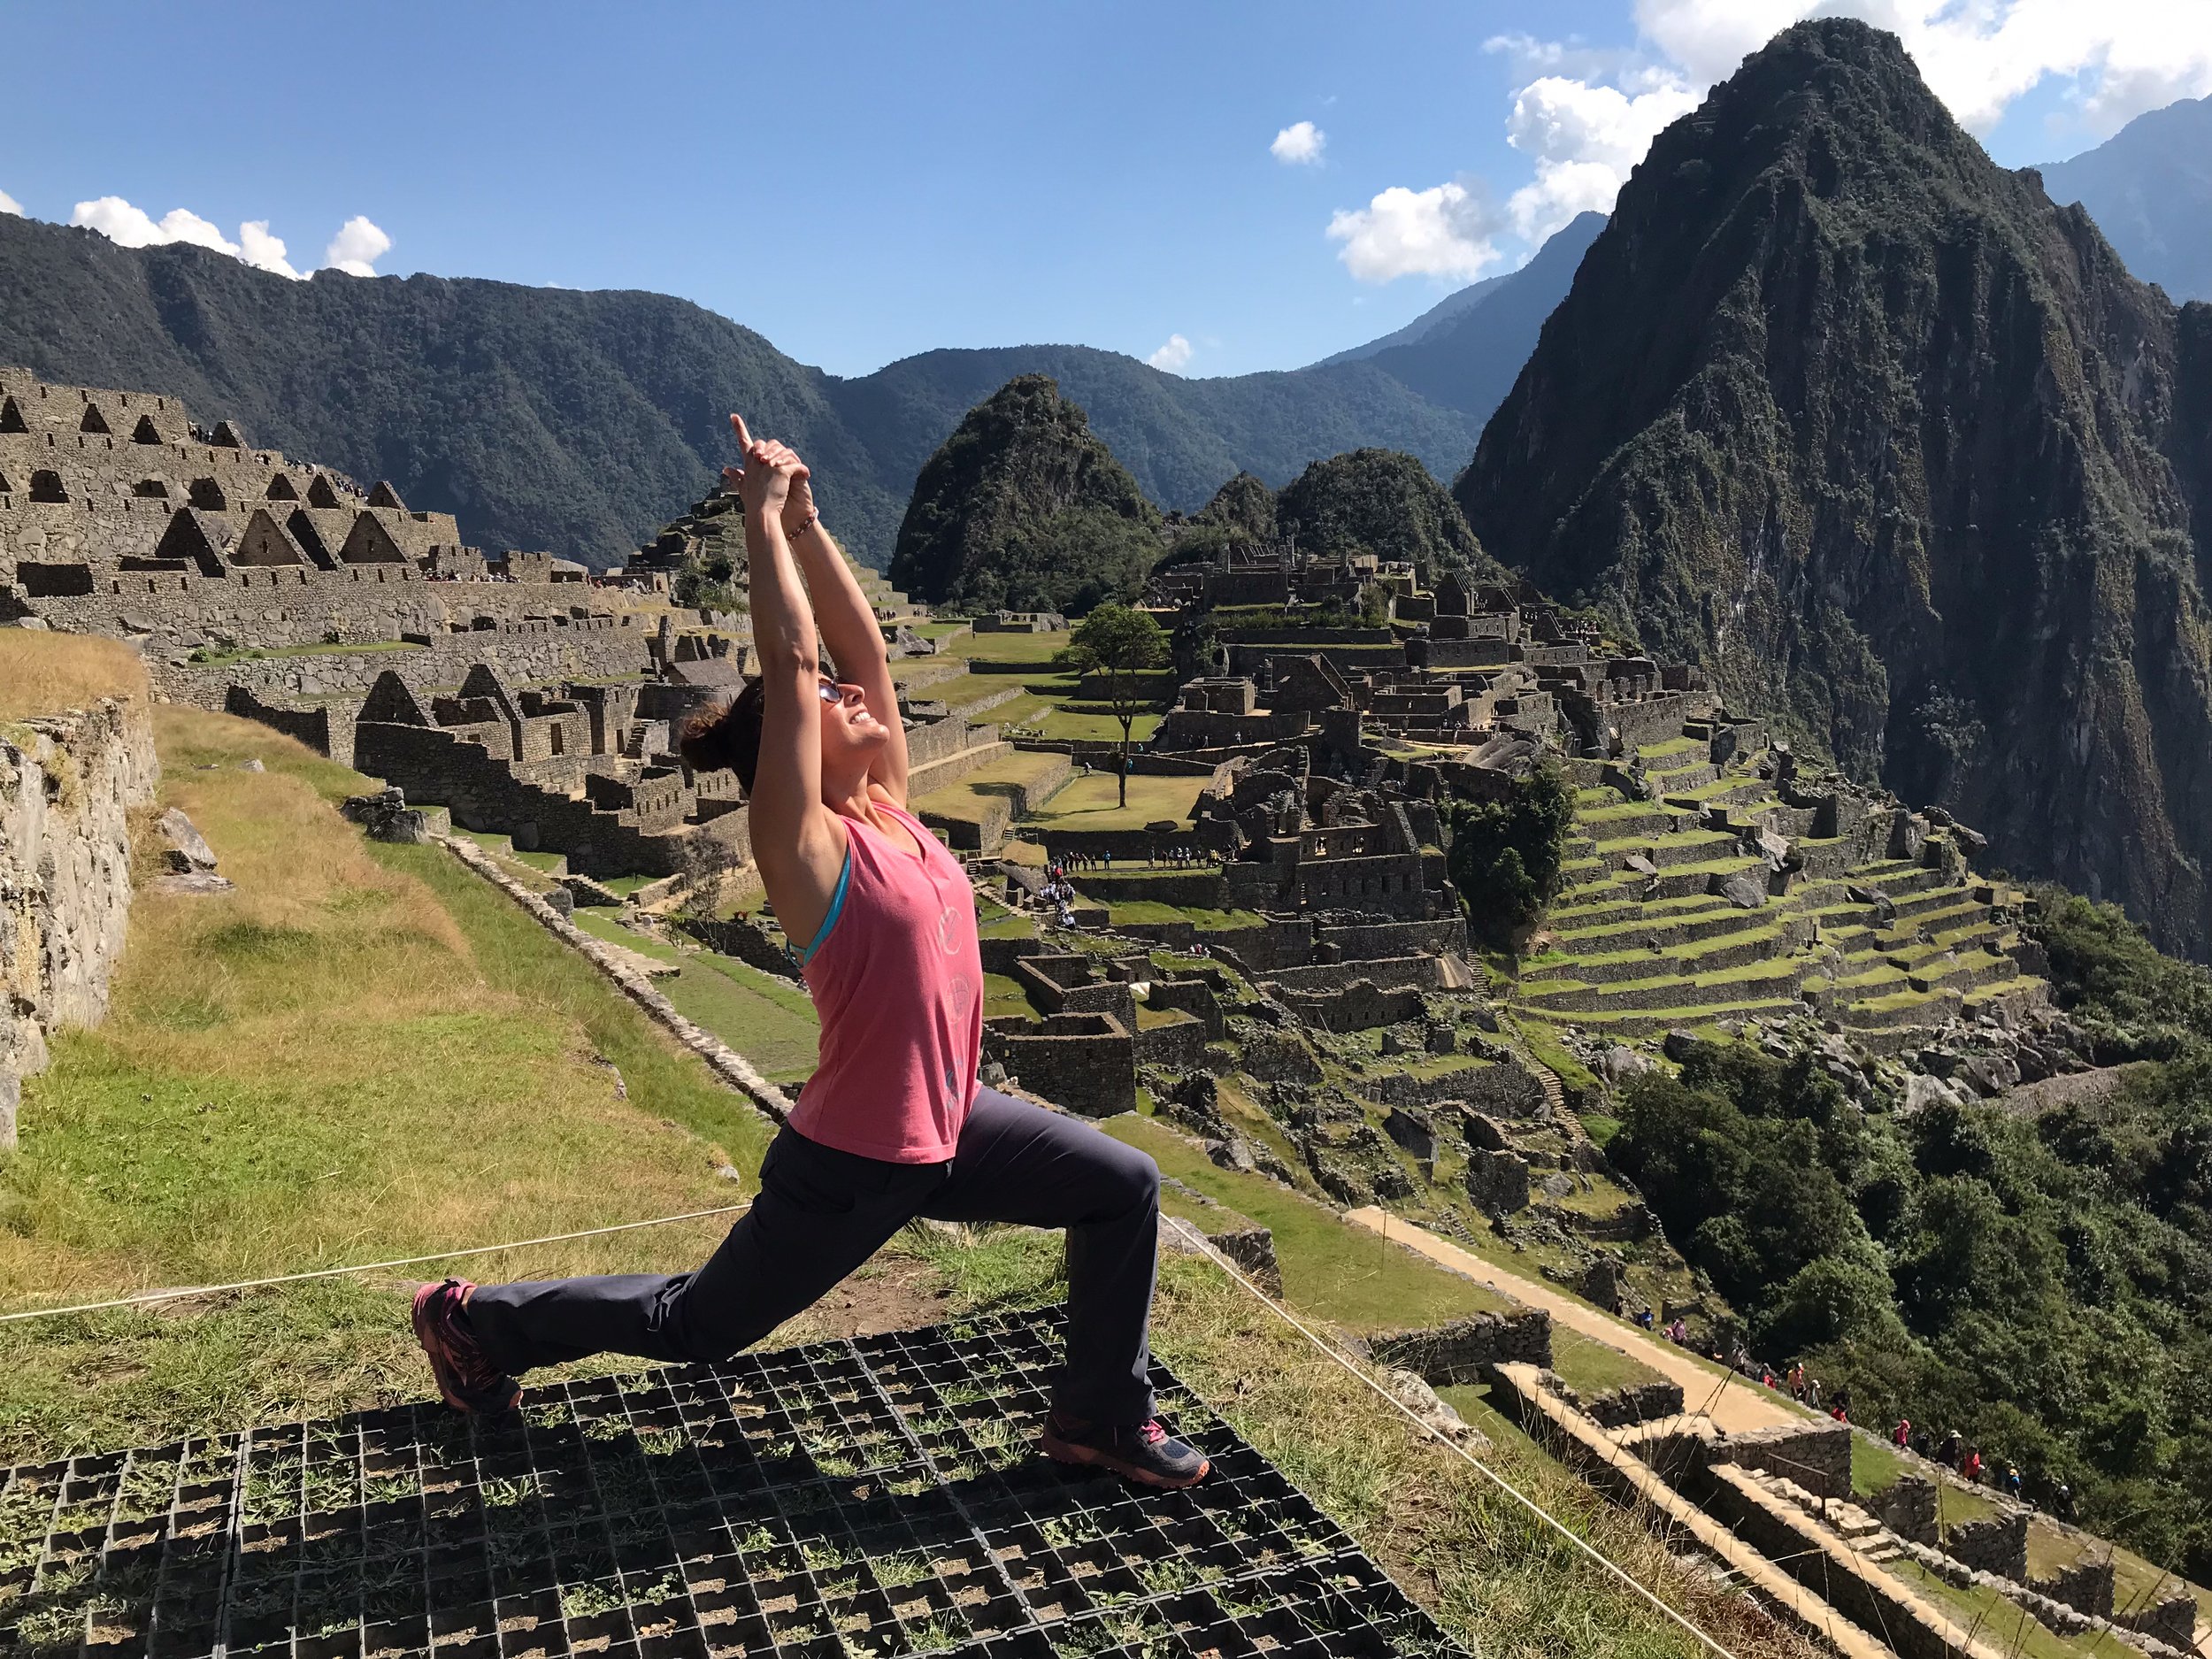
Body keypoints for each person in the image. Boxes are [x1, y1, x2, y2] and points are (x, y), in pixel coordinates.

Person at [410, 416, 1208, 1491]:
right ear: (782, 754)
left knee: (1123, 1187)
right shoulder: (805, 849)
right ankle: (475, 1323)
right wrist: (756, 523)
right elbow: (793, 661)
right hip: (851, 1162)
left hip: (951, 1123)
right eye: (823, 704)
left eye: (845, 695)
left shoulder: (891, 811)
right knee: (696, 1324)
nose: (849, 694)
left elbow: (858, 648)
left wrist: (810, 521)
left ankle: (1100, 1417)